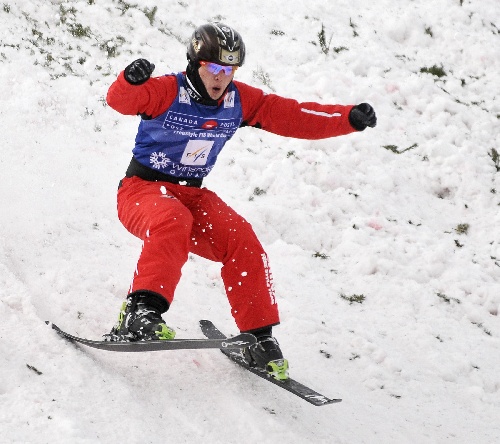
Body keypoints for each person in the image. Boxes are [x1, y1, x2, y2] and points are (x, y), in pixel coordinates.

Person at [104, 22, 376, 380]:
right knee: (172, 219)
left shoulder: (238, 100)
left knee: (241, 237)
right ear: (195, 63)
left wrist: (347, 119)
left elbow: (291, 115)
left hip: (192, 195)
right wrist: (130, 80)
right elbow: (120, 100)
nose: (221, 78)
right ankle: (140, 312)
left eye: (229, 70)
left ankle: (258, 338)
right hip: (143, 190)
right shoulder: (168, 90)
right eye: (214, 68)